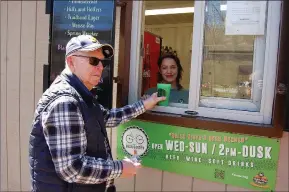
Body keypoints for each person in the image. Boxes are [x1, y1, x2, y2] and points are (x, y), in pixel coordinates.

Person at [29, 34, 165, 192]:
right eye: (93, 61)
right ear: (71, 62)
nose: (101, 67)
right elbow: (72, 168)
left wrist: (144, 105)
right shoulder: (65, 102)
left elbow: (108, 117)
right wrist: (120, 168)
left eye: (102, 62)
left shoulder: (81, 95)